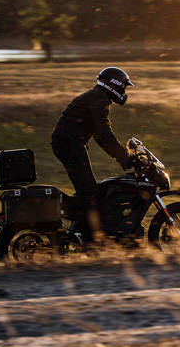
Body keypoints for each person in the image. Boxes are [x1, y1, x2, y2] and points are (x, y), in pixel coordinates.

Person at [51, 67, 135, 242]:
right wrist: (124, 157)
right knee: (89, 192)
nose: (124, 92)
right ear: (115, 85)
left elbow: (100, 136)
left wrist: (120, 156)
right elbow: (104, 134)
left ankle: (83, 229)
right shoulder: (99, 100)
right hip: (69, 144)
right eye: (124, 87)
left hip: (69, 143)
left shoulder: (97, 97)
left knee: (89, 190)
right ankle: (84, 235)